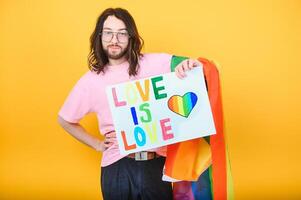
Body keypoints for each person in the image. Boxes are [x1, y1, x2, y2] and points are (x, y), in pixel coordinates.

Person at [58, 7, 201, 200]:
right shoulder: (90, 81)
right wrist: (97, 144)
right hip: (117, 167)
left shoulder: (155, 63)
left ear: (131, 37)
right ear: (100, 37)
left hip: (156, 165)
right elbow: (65, 119)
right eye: (108, 33)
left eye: (121, 33)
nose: (114, 40)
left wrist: (189, 65)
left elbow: (195, 66)